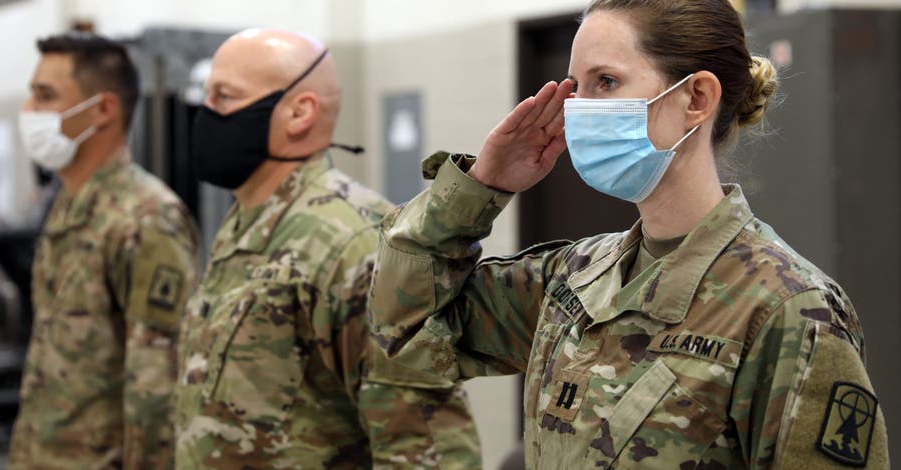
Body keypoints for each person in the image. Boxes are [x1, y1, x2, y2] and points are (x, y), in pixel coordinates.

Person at [369, 1, 890, 468]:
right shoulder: (573, 281)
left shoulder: (787, 309)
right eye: (576, 88)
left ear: (696, 98)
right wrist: (479, 186)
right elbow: (403, 327)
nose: (578, 110)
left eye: (607, 83)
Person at [173, 29, 481, 468]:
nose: (206, 114)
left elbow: (425, 447)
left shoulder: (350, 240)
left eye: (224, 96)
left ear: (299, 113)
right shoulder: (248, 220)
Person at [8, 33, 201, 469]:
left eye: (46, 96)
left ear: (102, 110)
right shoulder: (70, 204)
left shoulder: (146, 218)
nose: (29, 112)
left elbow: (158, 387)